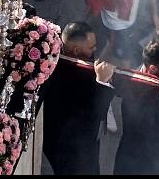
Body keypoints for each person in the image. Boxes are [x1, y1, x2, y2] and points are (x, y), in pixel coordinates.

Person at [40, 21, 116, 174]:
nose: (95, 51)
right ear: (76, 50)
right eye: (91, 48)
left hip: (75, 141)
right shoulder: (65, 76)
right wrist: (101, 82)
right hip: (71, 147)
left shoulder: (58, 58)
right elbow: (92, 115)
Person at [113, 40, 159, 175]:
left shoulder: (158, 82)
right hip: (138, 161)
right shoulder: (136, 89)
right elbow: (154, 138)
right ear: (152, 68)